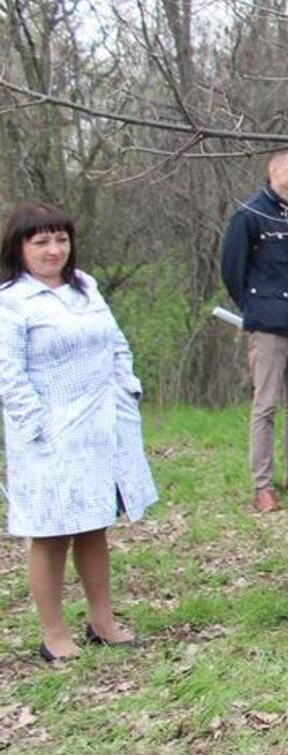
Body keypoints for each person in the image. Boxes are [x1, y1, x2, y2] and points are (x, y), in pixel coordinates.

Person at [0, 204, 158, 662]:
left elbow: (116, 344)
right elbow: (9, 375)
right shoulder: (12, 301)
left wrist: (127, 389)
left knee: (92, 526)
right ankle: (53, 634)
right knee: (50, 532)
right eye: (41, 242)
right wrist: (39, 425)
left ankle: (102, 621)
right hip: (47, 435)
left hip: (98, 428)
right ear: (20, 247)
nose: (54, 250)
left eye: (61, 240)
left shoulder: (84, 286)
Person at [220, 151, 288, 513]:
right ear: (274, 171)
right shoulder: (250, 216)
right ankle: (262, 486)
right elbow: (233, 271)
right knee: (265, 405)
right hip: (268, 324)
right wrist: (258, 309)